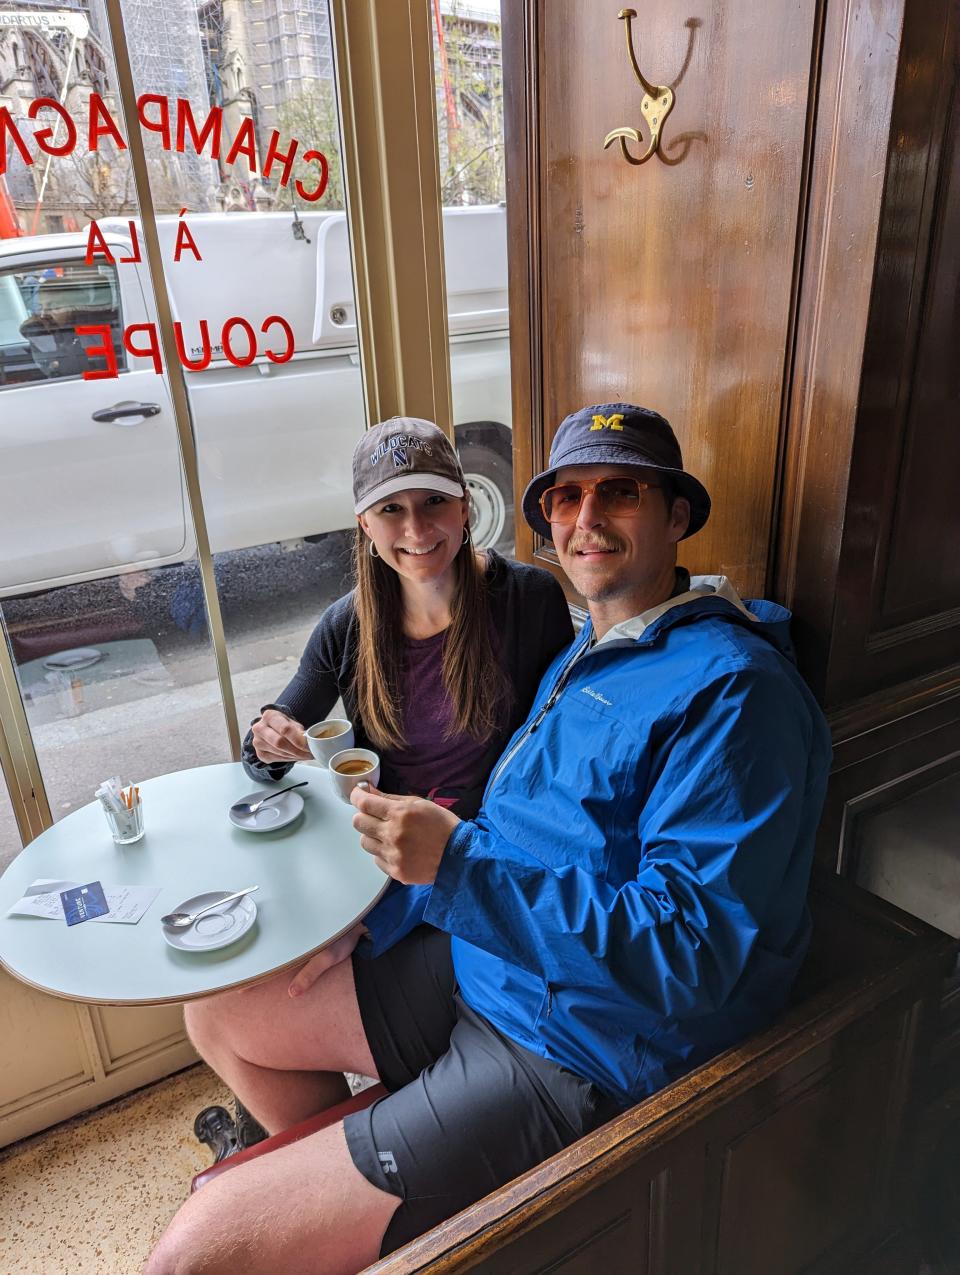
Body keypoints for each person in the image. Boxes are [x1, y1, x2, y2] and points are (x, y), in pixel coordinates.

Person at [146, 404, 832, 1275]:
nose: (587, 520)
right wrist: (391, 904)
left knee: (193, 1254)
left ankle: (367, 1187)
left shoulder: (733, 696)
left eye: (620, 494)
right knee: (219, 1008)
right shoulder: (589, 645)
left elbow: (694, 953)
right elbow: (518, 827)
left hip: (573, 1044)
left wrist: (456, 867)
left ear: (677, 516)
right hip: (483, 957)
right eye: (567, 498)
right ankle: (362, 1192)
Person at [187, 415, 574, 1157]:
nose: (416, 527)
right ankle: (316, 1154)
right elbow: (263, 745)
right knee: (232, 983)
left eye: (433, 502)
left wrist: (383, 912)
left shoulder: (528, 599)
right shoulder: (348, 625)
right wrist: (272, 736)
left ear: (466, 506)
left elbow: (551, 761)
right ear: (364, 525)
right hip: (371, 858)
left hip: (470, 861)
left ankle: (325, 1152)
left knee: (236, 1007)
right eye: (392, 509)